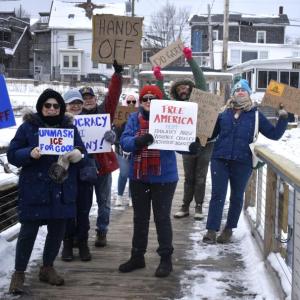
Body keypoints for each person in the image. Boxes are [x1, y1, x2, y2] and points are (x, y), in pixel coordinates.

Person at [7, 88, 85, 294]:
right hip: (35, 188)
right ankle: (19, 273)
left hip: (61, 188)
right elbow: (12, 154)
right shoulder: (27, 128)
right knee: (28, 233)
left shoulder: (69, 128)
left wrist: (78, 154)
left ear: (60, 108)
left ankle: (47, 267)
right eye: (47, 105)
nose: (51, 109)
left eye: (55, 106)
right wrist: (29, 153)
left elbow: (81, 149)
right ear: (41, 107)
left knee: (57, 232)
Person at [202, 79, 288, 244]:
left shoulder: (255, 114)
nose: (240, 92)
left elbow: (274, 134)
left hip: (243, 161)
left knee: (236, 196)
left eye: (244, 90)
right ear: (233, 93)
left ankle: (228, 230)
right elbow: (211, 134)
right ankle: (211, 230)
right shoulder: (223, 112)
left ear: (248, 93)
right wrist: (202, 125)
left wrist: (283, 117)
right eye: (237, 90)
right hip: (220, 158)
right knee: (217, 194)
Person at [118, 85, 178, 278]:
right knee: (140, 218)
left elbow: (181, 141)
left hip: (164, 176)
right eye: (145, 99)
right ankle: (137, 256)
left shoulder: (171, 118)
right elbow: (124, 141)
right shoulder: (134, 119)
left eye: (153, 98)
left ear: (160, 101)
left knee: (162, 218)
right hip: (139, 177)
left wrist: (191, 146)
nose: (148, 102)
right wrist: (139, 141)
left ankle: (165, 259)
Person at [154, 47, 214, 220]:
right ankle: (185, 206)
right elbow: (161, 99)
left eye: (186, 87)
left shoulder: (199, 98)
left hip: (206, 142)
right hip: (187, 144)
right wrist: (159, 79)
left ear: (190, 88)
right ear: (176, 91)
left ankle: (199, 207)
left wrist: (190, 59)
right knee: (189, 177)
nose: (183, 90)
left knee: (201, 177)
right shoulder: (174, 106)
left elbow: (200, 79)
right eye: (179, 87)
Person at [80, 60, 123, 247]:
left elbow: (113, 96)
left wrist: (117, 75)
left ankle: (102, 231)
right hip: (82, 166)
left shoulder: (104, 112)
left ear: (95, 100)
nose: (88, 100)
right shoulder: (74, 118)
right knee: (83, 203)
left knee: (104, 202)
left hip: (103, 165)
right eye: (84, 98)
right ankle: (80, 234)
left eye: (90, 97)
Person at [61, 88, 93, 262]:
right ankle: (67, 243)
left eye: (78, 103)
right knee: (67, 210)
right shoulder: (59, 123)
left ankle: (83, 242)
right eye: (72, 103)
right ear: (65, 105)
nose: (75, 106)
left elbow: (96, 146)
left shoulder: (92, 120)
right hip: (65, 174)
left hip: (84, 173)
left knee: (83, 210)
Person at [114, 92, 139, 206]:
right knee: (124, 173)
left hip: (135, 148)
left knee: (133, 173)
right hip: (121, 148)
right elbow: (115, 134)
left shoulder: (139, 116)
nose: (131, 104)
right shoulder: (119, 116)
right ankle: (119, 196)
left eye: (134, 101)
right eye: (129, 101)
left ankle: (131, 197)